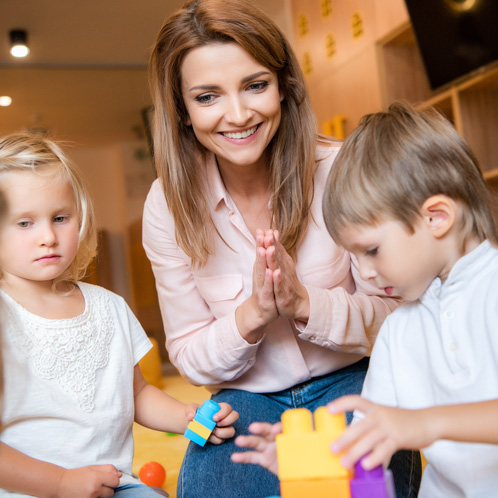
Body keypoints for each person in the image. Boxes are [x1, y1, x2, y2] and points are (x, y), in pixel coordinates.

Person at [143, 1, 421, 496]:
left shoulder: (339, 170)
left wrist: (304, 304)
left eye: (255, 85)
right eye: (208, 96)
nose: (238, 114)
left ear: (283, 86)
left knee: (366, 486)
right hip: (245, 398)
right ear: (182, 112)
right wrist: (252, 314)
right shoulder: (167, 205)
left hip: (351, 377)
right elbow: (188, 356)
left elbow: (399, 315)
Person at [233, 102, 498, 497]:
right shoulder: (398, 330)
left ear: (437, 217)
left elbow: (415, 426)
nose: (366, 273)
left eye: (371, 251)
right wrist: (308, 456)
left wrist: (424, 424)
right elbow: (364, 437)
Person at [0, 132, 238, 498]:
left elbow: (137, 393)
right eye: (24, 223)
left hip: (113, 486)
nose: (47, 236)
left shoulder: (108, 306)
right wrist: (62, 483)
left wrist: (186, 417)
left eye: (60, 217)